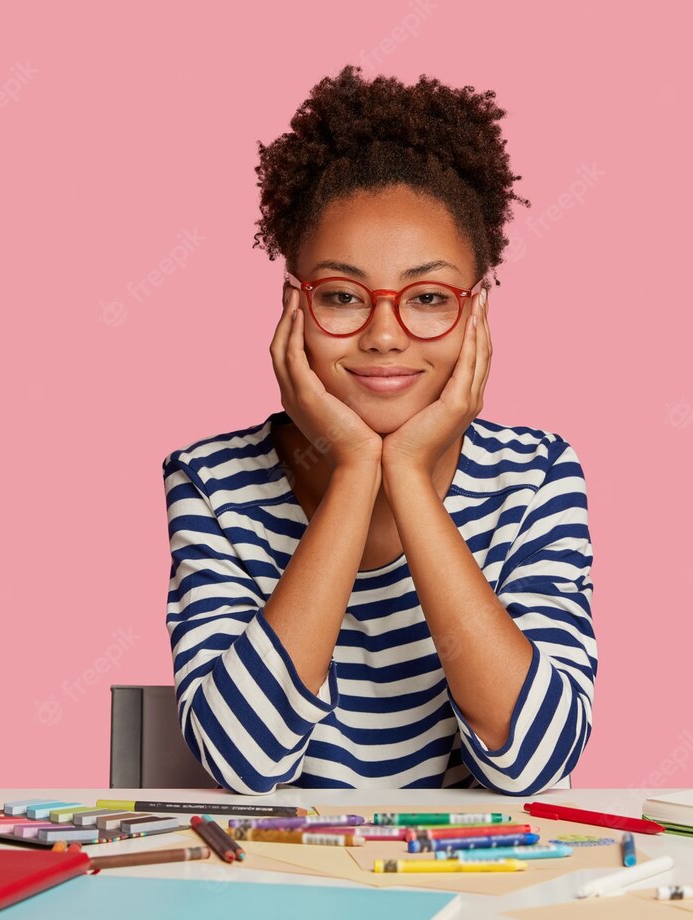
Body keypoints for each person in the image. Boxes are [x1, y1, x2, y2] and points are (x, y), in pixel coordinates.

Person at [162, 65, 596, 795]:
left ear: (477, 312)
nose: (385, 334)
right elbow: (245, 763)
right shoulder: (212, 482)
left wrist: (410, 482)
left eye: (428, 297)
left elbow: (532, 761)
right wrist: (358, 470)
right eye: (341, 295)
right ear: (292, 305)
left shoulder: (536, 476)